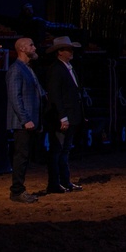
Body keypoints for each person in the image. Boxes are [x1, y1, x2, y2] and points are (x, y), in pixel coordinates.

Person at [6, 37, 45, 203]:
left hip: (30, 121)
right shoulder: (16, 69)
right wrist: (25, 119)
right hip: (23, 122)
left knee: (25, 156)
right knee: (21, 156)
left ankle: (19, 189)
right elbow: (15, 97)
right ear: (22, 48)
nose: (34, 47)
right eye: (31, 45)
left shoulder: (28, 69)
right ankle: (16, 191)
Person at [44, 36, 86, 193]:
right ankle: (55, 183)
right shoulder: (56, 69)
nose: (71, 52)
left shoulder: (68, 67)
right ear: (60, 52)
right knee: (58, 150)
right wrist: (63, 116)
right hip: (62, 117)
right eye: (68, 49)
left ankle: (65, 181)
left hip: (70, 115)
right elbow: (55, 95)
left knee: (65, 150)